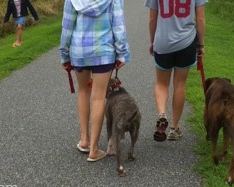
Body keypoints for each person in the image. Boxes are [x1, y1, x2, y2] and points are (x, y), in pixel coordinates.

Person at [59, 0, 130, 161]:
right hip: (103, 51)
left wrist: (64, 54)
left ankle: (84, 140)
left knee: (83, 91)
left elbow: (67, 27)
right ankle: (94, 149)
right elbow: (119, 26)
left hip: (79, 52)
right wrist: (122, 53)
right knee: (98, 98)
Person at [144, 0, 207, 141]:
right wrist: (201, 44)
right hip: (186, 42)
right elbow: (201, 18)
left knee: (161, 84)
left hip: (163, 42)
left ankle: (162, 114)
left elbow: (152, 18)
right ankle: (174, 128)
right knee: (180, 84)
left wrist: (152, 41)